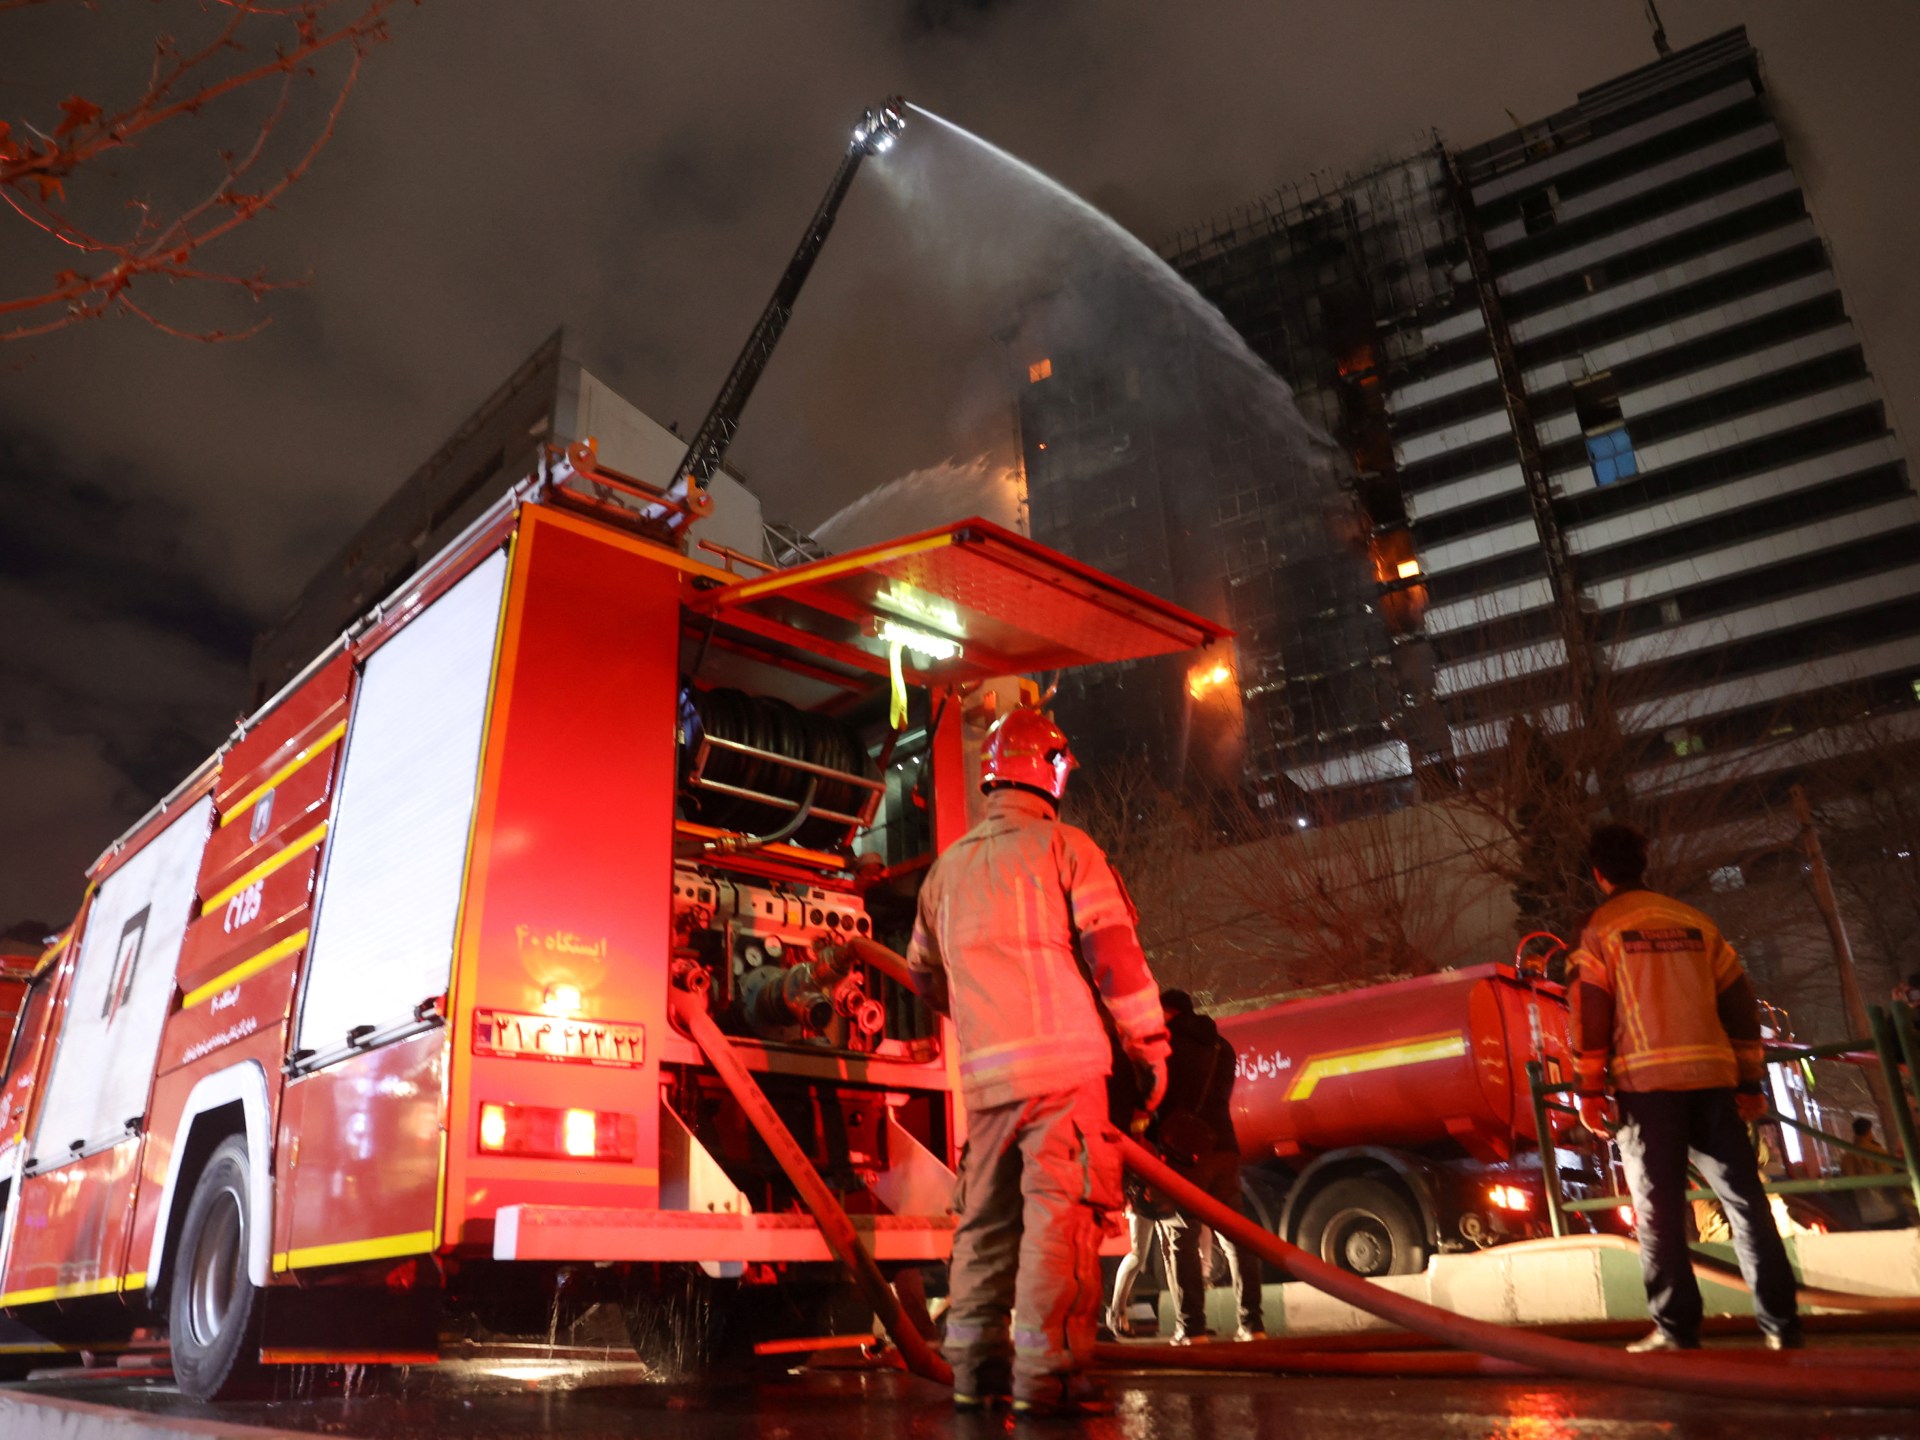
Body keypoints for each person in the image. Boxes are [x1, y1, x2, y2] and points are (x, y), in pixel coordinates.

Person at [906, 708, 1170, 1417]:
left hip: (987, 1086)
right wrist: (1149, 1051)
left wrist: (986, 1019)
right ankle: (1043, 1381)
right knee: (1059, 1223)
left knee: (986, 1226)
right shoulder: (1068, 848)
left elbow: (923, 978)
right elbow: (1114, 960)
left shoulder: (946, 872)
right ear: (1050, 772)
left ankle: (974, 1375)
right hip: (1065, 1079)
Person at [1567, 822, 1803, 1353]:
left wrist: (1588, 1089)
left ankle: (1677, 1331)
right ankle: (1783, 1327)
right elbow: (1740, 1001)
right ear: (1642, 866)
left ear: (1598, 873)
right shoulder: (1693, 920)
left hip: (1647, 1091)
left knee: (1660, 1213)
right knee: (1746, 1206)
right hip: (1713, 1084)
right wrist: (1749, 1080)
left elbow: (1592, 1007)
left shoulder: (1601, 929)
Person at [1155, 989, 1265, 1344]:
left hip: (1183, 1155)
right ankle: (1252, 1325)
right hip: (1224, 1147)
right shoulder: (1222, 1045)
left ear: (1168, 1012)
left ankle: (1192, 1329)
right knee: (1236, 1236)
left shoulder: (1166, 1045)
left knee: (1180, 1240)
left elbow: (1158, 1096)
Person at [1103, 1205, 1164, 1339]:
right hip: (1143, 1200)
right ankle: (1117, 1313)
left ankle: (1117, 1313)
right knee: (1138, 1256)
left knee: (1166, 1254)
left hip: (1153, 1199)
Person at [1839, 1116, 1902, 1229]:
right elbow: (1889, 1180)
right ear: (1869, 1130)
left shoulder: (1846, 1157)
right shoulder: (1877, 1152)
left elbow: (1847, 1188)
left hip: (1863, 1214)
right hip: (1886, 1210)